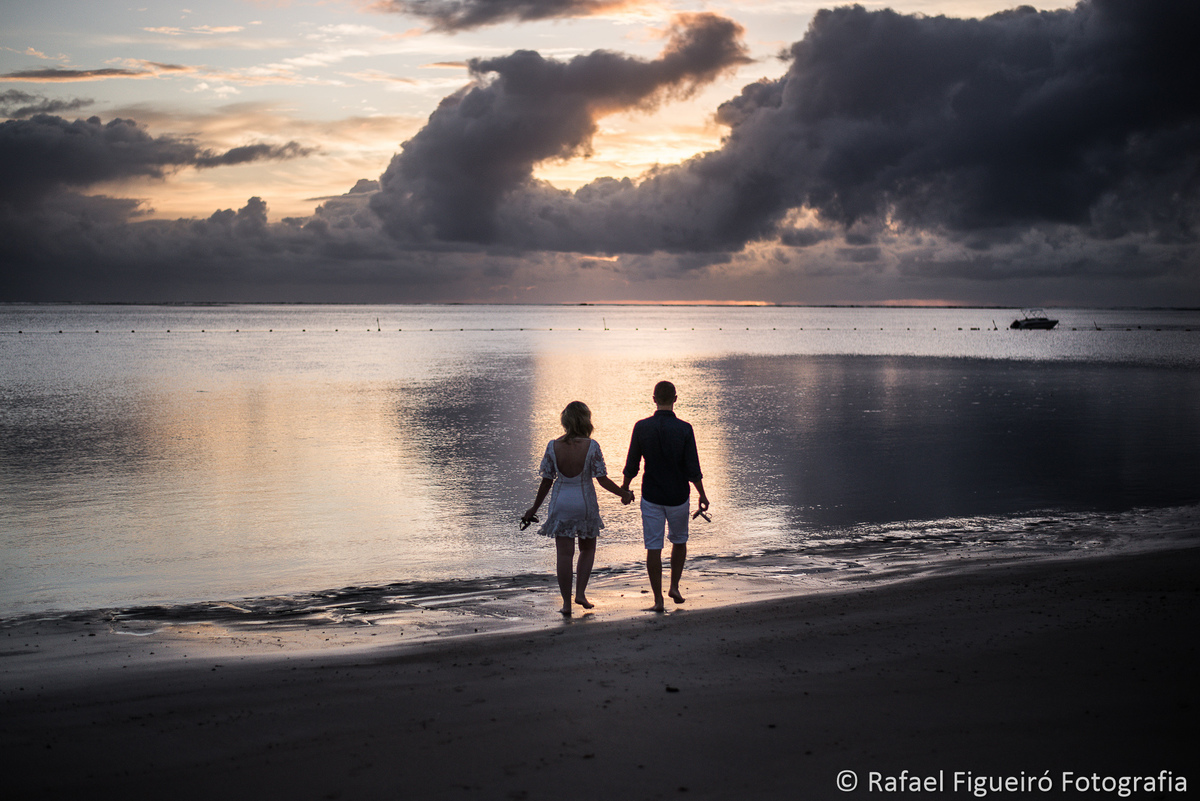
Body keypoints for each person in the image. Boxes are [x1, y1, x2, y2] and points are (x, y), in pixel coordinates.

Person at [522, 401, 634, 615]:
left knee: (564, 555)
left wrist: (533, 509)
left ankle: (566, 604)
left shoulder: (553, 446)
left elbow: (546, 482)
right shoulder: (592, 446)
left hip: (561, 503)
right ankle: (580, 593)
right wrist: (624, 494)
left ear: (565, 421)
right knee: (587, 549)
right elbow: (602, 480)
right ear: (586, 421)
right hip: (584, 503)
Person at [621, 381, 709, 612]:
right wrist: (702, 494)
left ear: (654, 399)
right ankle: (674, 587)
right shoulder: (685, 428)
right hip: (678, 495)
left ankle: (658, 600)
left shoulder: (641, 427)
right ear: (675, 399)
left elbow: (632, 464)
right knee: (679, 541)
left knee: (653, 547)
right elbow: (693, 468)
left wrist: (625, 488)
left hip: (652, 495)